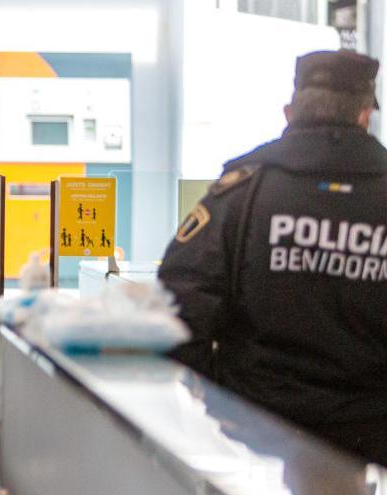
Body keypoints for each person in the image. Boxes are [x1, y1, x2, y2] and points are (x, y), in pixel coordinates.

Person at [159, 49, 387, 465]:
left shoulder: (243, 190)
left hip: (255, 431)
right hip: (371, 440)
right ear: (363, 116)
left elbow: (177, 302)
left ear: (290, 113)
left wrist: (216, 396)